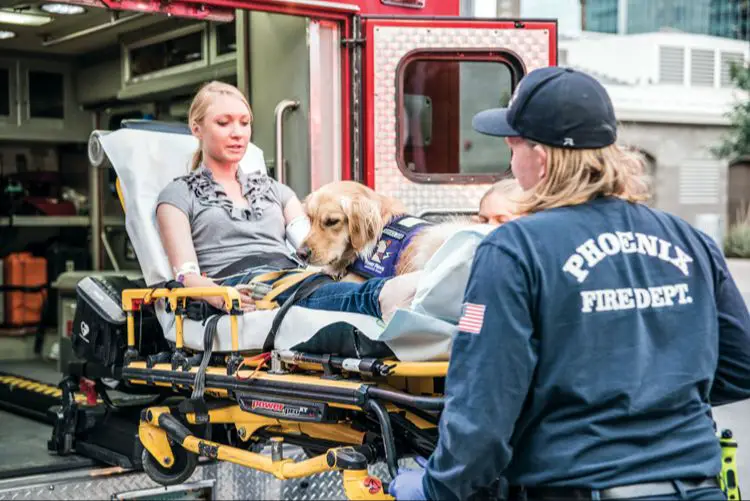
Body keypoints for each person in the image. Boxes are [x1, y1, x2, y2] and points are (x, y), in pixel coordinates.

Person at [389, 66, 750, 501]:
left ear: (541, 158)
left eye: (513, 141)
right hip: (698, 488)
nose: (508, 151)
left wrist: (437, 488)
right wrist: (654, 398)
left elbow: (483, 409)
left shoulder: (514, 249)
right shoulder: (689, 240)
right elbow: (739, 367)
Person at [155, 81, 416, 322]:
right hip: (243, 285)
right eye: (224, 123)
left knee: (327, 287)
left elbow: (311, 242)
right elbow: (185, 275)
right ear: (196, 128)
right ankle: (398, 294)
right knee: (355, 296)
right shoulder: (178, 196)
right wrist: (220, 296)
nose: (238, 133)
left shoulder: (275, 191)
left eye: (244, 123)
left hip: (292, 277)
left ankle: (407, 289)